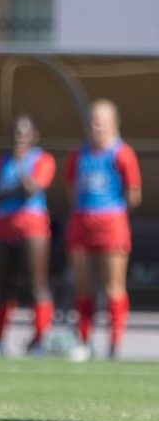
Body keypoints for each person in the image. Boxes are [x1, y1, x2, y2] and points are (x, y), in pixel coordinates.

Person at [64, 99, 142, 360]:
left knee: (113, 286)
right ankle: (83, 342)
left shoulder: (122, 153)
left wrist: (113, 213)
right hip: (81, 221)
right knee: (83, 287)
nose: (96, 126)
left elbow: (133, 195)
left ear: (114, 123)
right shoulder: (80, 153)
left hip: (111, 223)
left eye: (102, 121)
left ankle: (115, 344)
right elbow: (70, 186)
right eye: (93, 121)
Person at [0, 114, 55, 358]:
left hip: (32, 227)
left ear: (34, 136)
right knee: (1, 286)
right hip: (2, 227)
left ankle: (38, 340)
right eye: (16, 132)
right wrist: (10, 190)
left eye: (25, 133)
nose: (20, 138)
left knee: (37, 285)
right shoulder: (0, 162)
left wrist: (19, 164)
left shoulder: (42, 160)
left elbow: (30, 189)